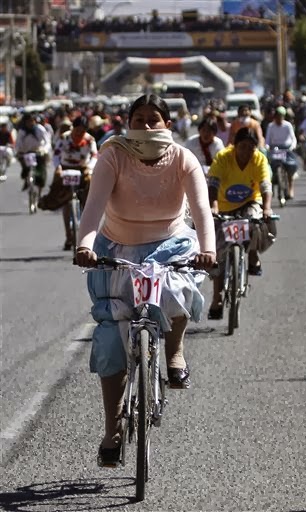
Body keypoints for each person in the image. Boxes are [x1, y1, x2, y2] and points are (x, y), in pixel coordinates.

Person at [75, 94, 216, 467]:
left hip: (169, 244)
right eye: (139, 119)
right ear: (129, 123)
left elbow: (201, 210)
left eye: (155, 119)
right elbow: (92, 208)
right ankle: (112, 430)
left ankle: (175, 352)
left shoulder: (184, 159)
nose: (147, 125)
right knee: (110, 339)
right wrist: (85, 246)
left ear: (168, 125)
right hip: (117, 247)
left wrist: (209, 249)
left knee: (179, 289)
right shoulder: (113, 155)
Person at [207, 127, 274, 320]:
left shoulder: (259, 159)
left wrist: (267, 208)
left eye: (251, 148)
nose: (246, 151)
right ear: (235, 146)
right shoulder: (223, 157)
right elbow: (213, 184)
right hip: (223, 206)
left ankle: (252, 252)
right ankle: (216, 298)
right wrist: (214, 206)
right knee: (218, 251)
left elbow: (265, 185)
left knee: (256, 222)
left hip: (249, 202)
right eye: (242, 147)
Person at [38, 115, 98, 250]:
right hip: (65, 168)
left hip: (83, 169)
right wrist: (58, 167)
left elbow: (94, 156)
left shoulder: (90, 140)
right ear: (73, 129)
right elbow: (57, 154)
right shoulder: (64, 137)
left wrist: (89, 167)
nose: (79, 134)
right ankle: (69, 237)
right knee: (61, 196)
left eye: (82, 131)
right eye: (77, 130)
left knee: (90, 186)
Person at [265, 106, 298, 199]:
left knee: (291, 167)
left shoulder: (288, 125)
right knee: (269, 168)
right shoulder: (271, 126)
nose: (280, 118)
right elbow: (267, 139)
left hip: (286, 149)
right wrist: (267, 146)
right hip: (275, 149)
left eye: (281, 116)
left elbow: (293, 138)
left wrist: (292, 146)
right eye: (278, 116)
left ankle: (290, 188)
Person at [15, 112, 51, 194]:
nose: (30, 123)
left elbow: (47, 141)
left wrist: (44, 149)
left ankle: (39, 192)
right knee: (25, 168)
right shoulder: (22, 131)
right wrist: (19, 151)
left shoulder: (40, 129)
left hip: (39, 153)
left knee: (41, 172)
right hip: (26, 153)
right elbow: (18, 144)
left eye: (32, 121)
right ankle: (26, 179)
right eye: (28, 121)